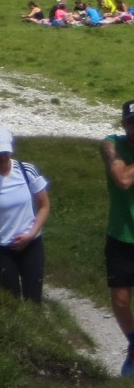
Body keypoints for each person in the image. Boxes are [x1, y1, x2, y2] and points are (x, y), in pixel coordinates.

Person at [99, 101, 134, 372]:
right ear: (124, 124)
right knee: (120, 301)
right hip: (121, 235)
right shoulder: (111, 144)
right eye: (132, 123)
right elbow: (122, 180)